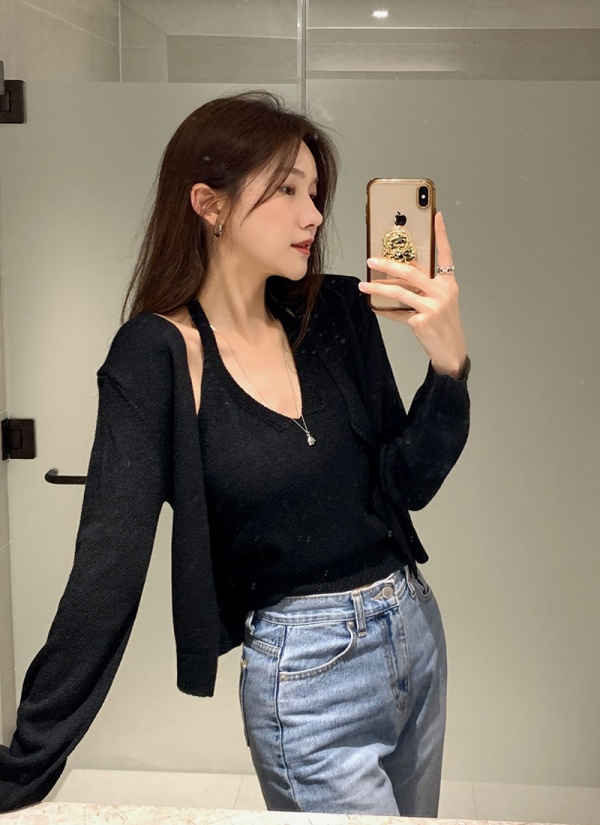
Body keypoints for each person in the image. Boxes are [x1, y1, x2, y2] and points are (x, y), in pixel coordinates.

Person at [0, 89, 470, 815]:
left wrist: (448, 365)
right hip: (309, 675)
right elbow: (106, 571)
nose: (314, 215)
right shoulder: (155, 356)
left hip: (413, 628)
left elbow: (407, 483)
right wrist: (24, 765)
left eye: (315, 192)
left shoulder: (337, 311)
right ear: (209, 204)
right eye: (286, 190)